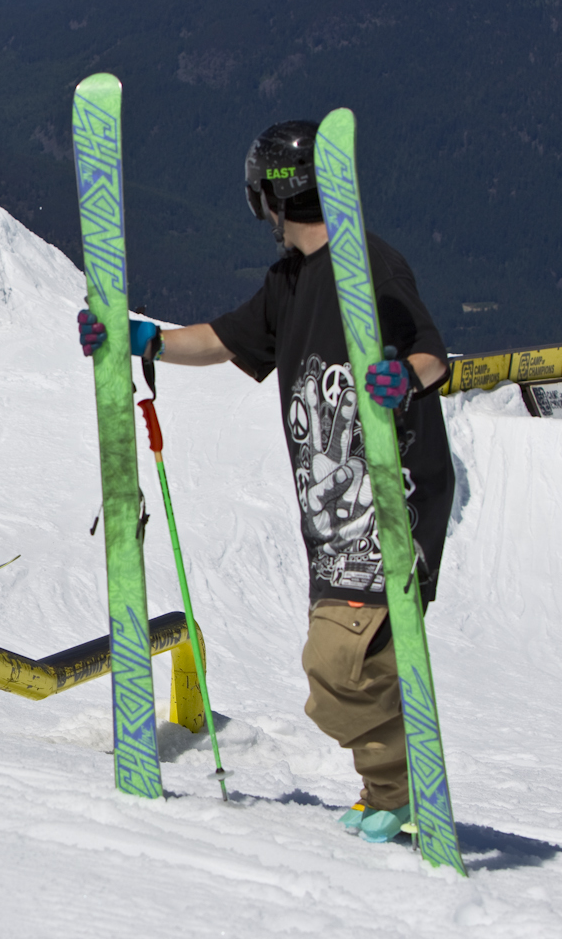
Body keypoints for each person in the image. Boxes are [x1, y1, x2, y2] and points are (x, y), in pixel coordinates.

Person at [78, 120, 453, 845]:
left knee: (340, 660)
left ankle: (402, 787)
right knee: (355, 663)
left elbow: (431, 350)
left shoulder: (368, 263)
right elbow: (221, 340)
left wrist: (403, 379)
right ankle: (389, 790)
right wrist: (141, 338)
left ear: (270, 199)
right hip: (333, 513)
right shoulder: (288, 284)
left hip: (392, 497)